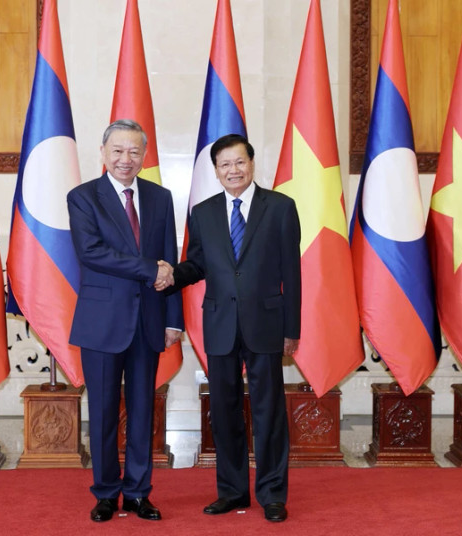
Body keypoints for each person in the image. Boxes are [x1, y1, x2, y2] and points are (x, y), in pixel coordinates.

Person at [168, 134, 301, 522]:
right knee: (224, 412)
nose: (233, 170)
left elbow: (292, 273)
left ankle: (272, 494)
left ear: (252, 163)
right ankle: (232, 491)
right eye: (224, 164)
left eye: (239, 162)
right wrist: (169, 275)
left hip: (266, 323)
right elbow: (197, 264)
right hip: (220, 323)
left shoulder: (280, 207)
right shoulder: (203, 212)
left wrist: (292, 328)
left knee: (268, 412)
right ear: (216, 170)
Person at [67, 119, 183, 522]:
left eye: (134, 151)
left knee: (142, 412)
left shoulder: (160, 197)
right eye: (117, 150)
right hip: (102, 323)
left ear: (144, 156)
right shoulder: (83, 197)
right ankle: (105, 493)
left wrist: (173, 319)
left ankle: (137, 493)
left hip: (148, 321)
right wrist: (149, 268)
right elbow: (91, 253)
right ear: (103, 153)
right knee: (101, 413)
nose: (125, 159)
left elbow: (170, 261)